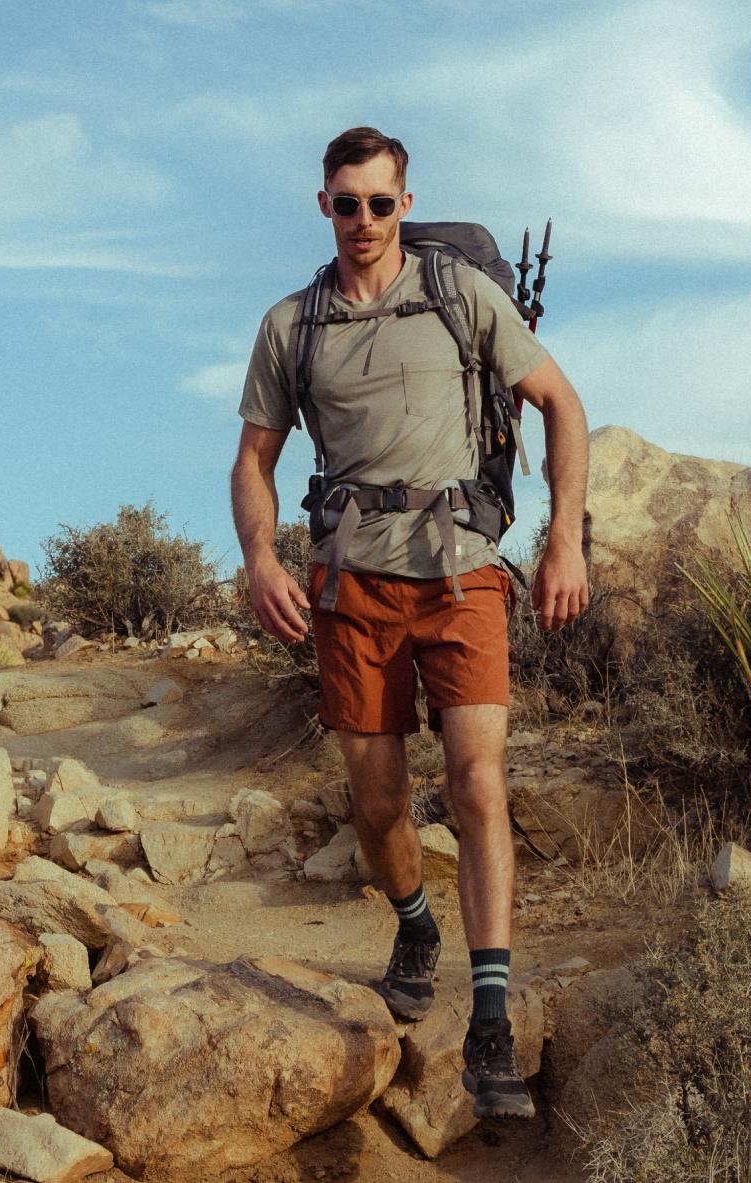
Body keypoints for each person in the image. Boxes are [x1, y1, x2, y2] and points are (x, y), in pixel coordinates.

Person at [229, 127, 590, 1120]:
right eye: (345, 204)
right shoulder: (291, 326)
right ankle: (413, 922)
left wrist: (564, 540)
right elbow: (252, 459)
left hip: (462, 572)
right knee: (378, 804)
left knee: (476, 782)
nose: (362, 223)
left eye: (379, 204)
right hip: (353, 583)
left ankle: (485, 1008)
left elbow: (559, 402)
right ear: (324, 208)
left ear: (403, 202)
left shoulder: (457, 293)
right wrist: (261, 557)